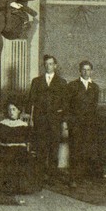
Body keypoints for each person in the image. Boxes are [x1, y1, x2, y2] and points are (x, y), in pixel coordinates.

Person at [0, 99, 37, 194]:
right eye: (9, 110)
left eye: (14, 109)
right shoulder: (1, 125)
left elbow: (29, 141)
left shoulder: (24, 126)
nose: (11, 112)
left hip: (18, 149)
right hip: (3, 148)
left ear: (19, 111)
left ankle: (18, 187)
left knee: (21, 159)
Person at [28, 54, 70, 183]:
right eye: (46, 64)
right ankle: (40, 176)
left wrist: (63, 121)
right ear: (43, 65)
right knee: (41, 148)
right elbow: (31, 101)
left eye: (51, 64)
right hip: (40, 120)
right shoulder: (36, 81)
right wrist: (30, 117)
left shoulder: (62, 82)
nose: (48, 66)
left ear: (55, 66)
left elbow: (65, 103)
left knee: (54, 148)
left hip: (55, 121)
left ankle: (52, 176)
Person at [66, 60, 100, 179]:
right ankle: (73, 177)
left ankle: (83, 176)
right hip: (75, 124)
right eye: (84, 69)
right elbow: (67, 106)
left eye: (88, 70)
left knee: (87, 149)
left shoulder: (95, 87)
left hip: (89, 124)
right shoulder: (72, 86)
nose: (86, 72)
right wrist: (69, 122)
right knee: (75, 150)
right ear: (80, 71)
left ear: (92, 71)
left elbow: (94, 107)